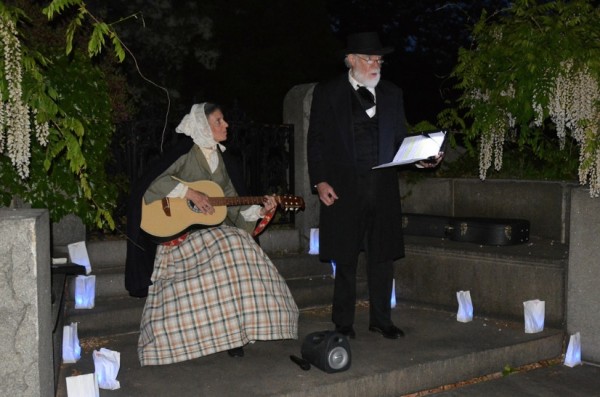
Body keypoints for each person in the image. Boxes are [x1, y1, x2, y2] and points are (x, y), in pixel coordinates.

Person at [135, 103, 299, 365]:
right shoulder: (184, 154)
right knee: (229, 250)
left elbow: (232, 204)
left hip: (211, 232)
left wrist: (259, 210)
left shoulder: (223, 161)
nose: (226, 125)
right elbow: (152, 183)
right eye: (219, 121)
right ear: (202, 125)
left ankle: (235, 333)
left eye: (224, 120)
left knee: (240, 247)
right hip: (180, 233)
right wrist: (190, 193)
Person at [307, 32, 442, 340]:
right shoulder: (328, 92)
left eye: (379, 60)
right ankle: (343, 323)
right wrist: (320, 180)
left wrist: (421, 159)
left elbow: (398, 143)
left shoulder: (392, 93)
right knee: (345, 258)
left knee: (382, 258)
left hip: (381, 188)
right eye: (368, 59)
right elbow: (315, 140)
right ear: (351, 60)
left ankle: (381, 319)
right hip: (342, 188)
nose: (375, 65)